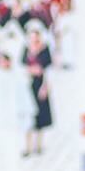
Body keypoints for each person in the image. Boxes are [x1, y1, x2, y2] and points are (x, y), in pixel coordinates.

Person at [22, 21, 54, 157]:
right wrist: (30, 70)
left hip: (40, 85)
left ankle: (39, 145)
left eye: (36, 36)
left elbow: (49, 70)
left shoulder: (45, 50)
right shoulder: (26, 49)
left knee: (40, 117)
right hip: (28, 85)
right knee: (28, 116)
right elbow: (21, 66)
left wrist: (46, 87)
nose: (34, 39)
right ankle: (27, 147)